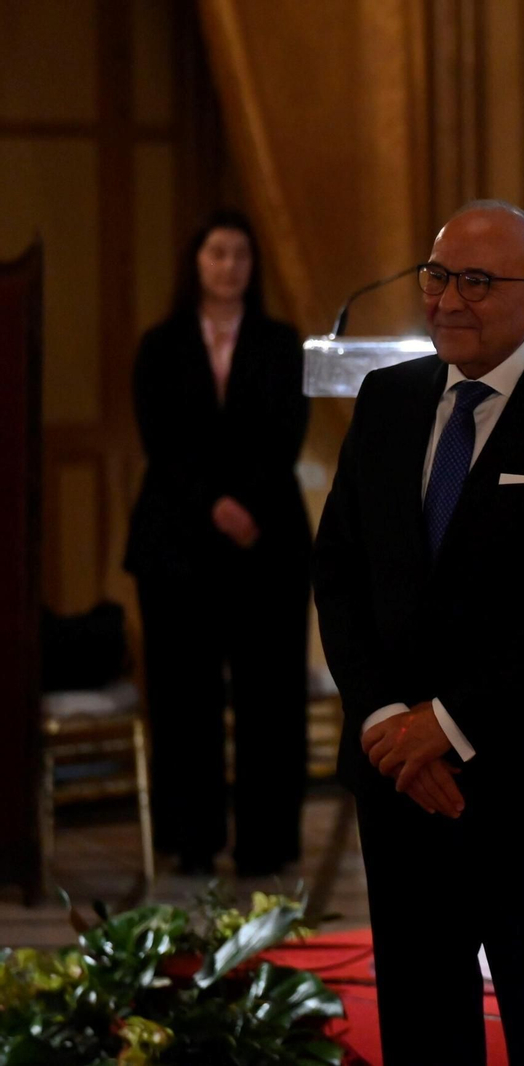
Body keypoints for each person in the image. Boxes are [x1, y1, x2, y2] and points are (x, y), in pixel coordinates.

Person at [313, 201, 524, 1066]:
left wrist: (449, 725)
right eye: (437, 275)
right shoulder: (387, 401)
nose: (447, 300)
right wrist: (389, 719)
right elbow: (341, 573)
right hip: (395, 775)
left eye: (476, 281)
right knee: (421, 1019)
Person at [125, 208, 310, 878]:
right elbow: (162, 438)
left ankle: (266, 841)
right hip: (178, 540)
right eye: (217, 254)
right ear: (195, 263)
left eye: (240, 255)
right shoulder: (161, 343)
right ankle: (191, 837)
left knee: (269, 696)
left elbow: (287, 430)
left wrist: (248, 506)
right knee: (183, 697)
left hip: (267, 543)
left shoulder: (282, 341)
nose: (229, 266)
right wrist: (213, 503)